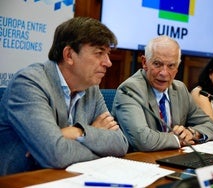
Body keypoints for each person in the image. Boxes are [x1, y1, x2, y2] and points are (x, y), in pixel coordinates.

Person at [0, 17, 128, 176]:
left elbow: (120, 144)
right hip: (23, 180)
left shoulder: (91, 88)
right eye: (99, 53)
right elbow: (55, 154)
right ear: (68, 55)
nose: (108, 62)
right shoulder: (28, 83)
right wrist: (94, 138)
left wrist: (78, 132)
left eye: (107, 54)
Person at [112, 35, 213, 152]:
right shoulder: (130, 89)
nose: (164, 73)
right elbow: (143, 140)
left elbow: (211, 126)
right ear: (145, 62)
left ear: (177, 67)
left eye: (171, 66)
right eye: (157, 64)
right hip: (140, 161)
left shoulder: (179, 89)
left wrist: (192, 133)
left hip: (171, 158)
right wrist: (178, 140)